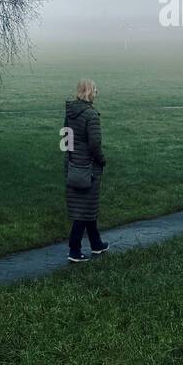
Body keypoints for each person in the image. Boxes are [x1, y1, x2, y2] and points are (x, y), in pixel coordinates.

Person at [64, 78, 109, 262]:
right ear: (90, 92)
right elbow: (94, 144)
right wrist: (102, 160)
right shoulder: (91, 115)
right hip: (88, 168)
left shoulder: (70, 113)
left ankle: (96, 244)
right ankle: (74, 250)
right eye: (95, 90)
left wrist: (70, 160)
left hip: (73, 165)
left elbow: (66, 140)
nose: (97, 93)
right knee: (83, 211)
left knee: (87, 207)